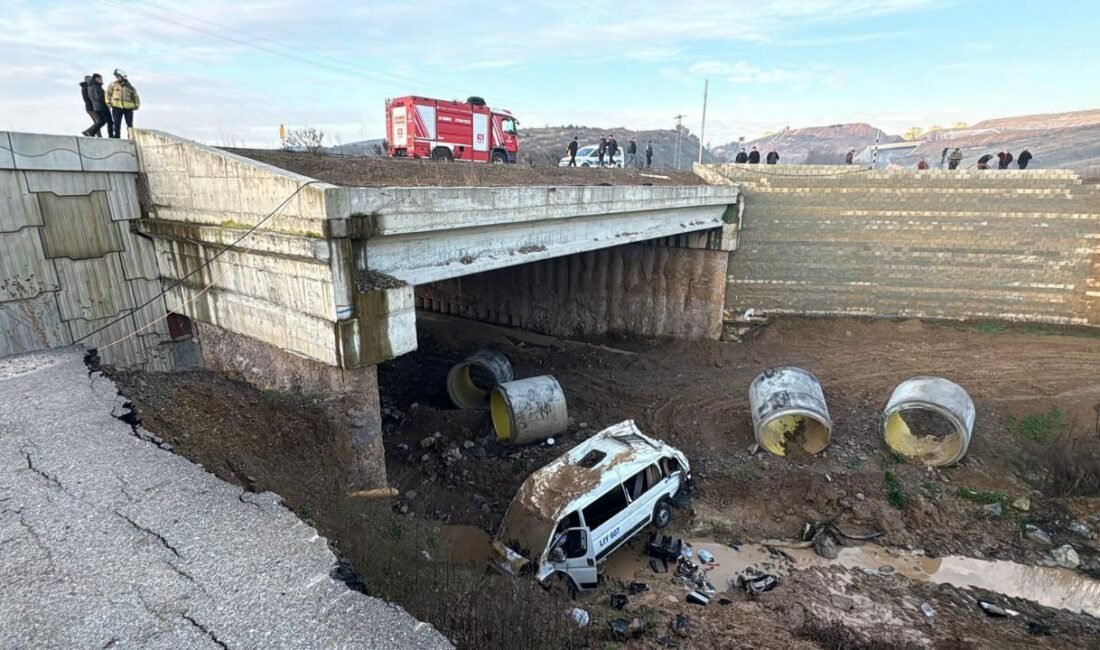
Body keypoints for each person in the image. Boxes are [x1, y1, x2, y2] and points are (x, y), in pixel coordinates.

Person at [106, 69, 140, 138]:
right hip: (116, 107)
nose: (117, 77)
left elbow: (135, 96)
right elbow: (108, 93)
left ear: (123, 76)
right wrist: (108, 102)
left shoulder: (130, 87)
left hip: (128, 108)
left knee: (129, 124)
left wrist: (137, 105)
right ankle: (117, 136)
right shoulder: (113, 85)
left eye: (118, 76)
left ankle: (131, 137)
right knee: (116, 123)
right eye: (116, 76)